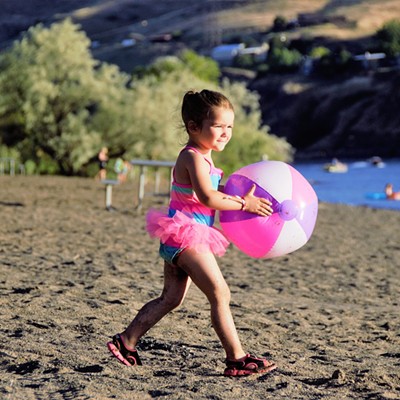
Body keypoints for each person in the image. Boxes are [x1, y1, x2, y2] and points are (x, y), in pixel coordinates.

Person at [107, 89, 277, 377]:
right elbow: (208, 199)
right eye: (219, 126)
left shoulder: (203, 159)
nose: (226, 133)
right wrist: (243, 203)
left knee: (171, 298)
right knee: (220, 293)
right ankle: (236, 359)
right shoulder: (193, 157)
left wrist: (235, 197)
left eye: (230, 127)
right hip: (188, 236)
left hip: (180, 236)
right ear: (193, 127)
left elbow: (206, 193)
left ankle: (126, 341)